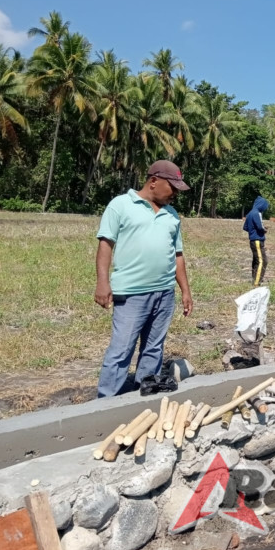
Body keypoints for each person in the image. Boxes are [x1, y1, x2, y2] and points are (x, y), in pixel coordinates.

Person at [94, 160, 193, 398]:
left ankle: (145, 394)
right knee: (121, 350)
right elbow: (106, 244)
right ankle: (105, 402)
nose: (176, 194)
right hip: (131, 293)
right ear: (154, 181)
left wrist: (185, 291)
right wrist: (102, 282)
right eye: (173, 188)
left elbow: (177, 254)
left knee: (154, 349)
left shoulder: (171, 214)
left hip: (164, 293)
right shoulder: (121, 205)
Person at [243, 195, 269, 286]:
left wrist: (252, 231)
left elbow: (245, 227)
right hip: (257, 240)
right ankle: (257, 282)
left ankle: (255, 278)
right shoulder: (257, 213)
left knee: (256, 260)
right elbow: (259, 226)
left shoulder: (250, 213)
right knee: (262, 261)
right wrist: (264, 230)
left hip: (252, 240)